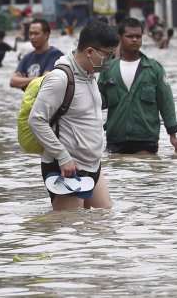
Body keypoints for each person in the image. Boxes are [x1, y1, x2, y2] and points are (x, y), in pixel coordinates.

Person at [28, 20, 119, 211]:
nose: (110, 60)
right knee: (68, 229)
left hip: (93, 164)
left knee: (104, 221)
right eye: (108, 55)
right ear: (89, 52)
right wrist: (62, 157)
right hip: (68, 168)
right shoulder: (60, 79)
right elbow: (36, 120)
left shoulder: (90, 75)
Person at [99, 18, 177, 155]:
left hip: (146, 138)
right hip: (116, 138)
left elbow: (166, 102)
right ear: (120, 38)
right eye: (130, 36)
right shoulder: (108, 69)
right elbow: (96, 101)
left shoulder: (154, 69)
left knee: (144, 170)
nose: (134, 40)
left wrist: (173, 135)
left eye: (138, 36)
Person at [9, 19, 64, 90]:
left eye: (36, 34)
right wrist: (37, 79)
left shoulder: (55, 55)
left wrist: (24, 80)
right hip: (30, 100)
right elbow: (13, 81)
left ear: (46, 35)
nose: (32, 37)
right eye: (30, 34)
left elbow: (45, 81)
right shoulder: (27, 57)